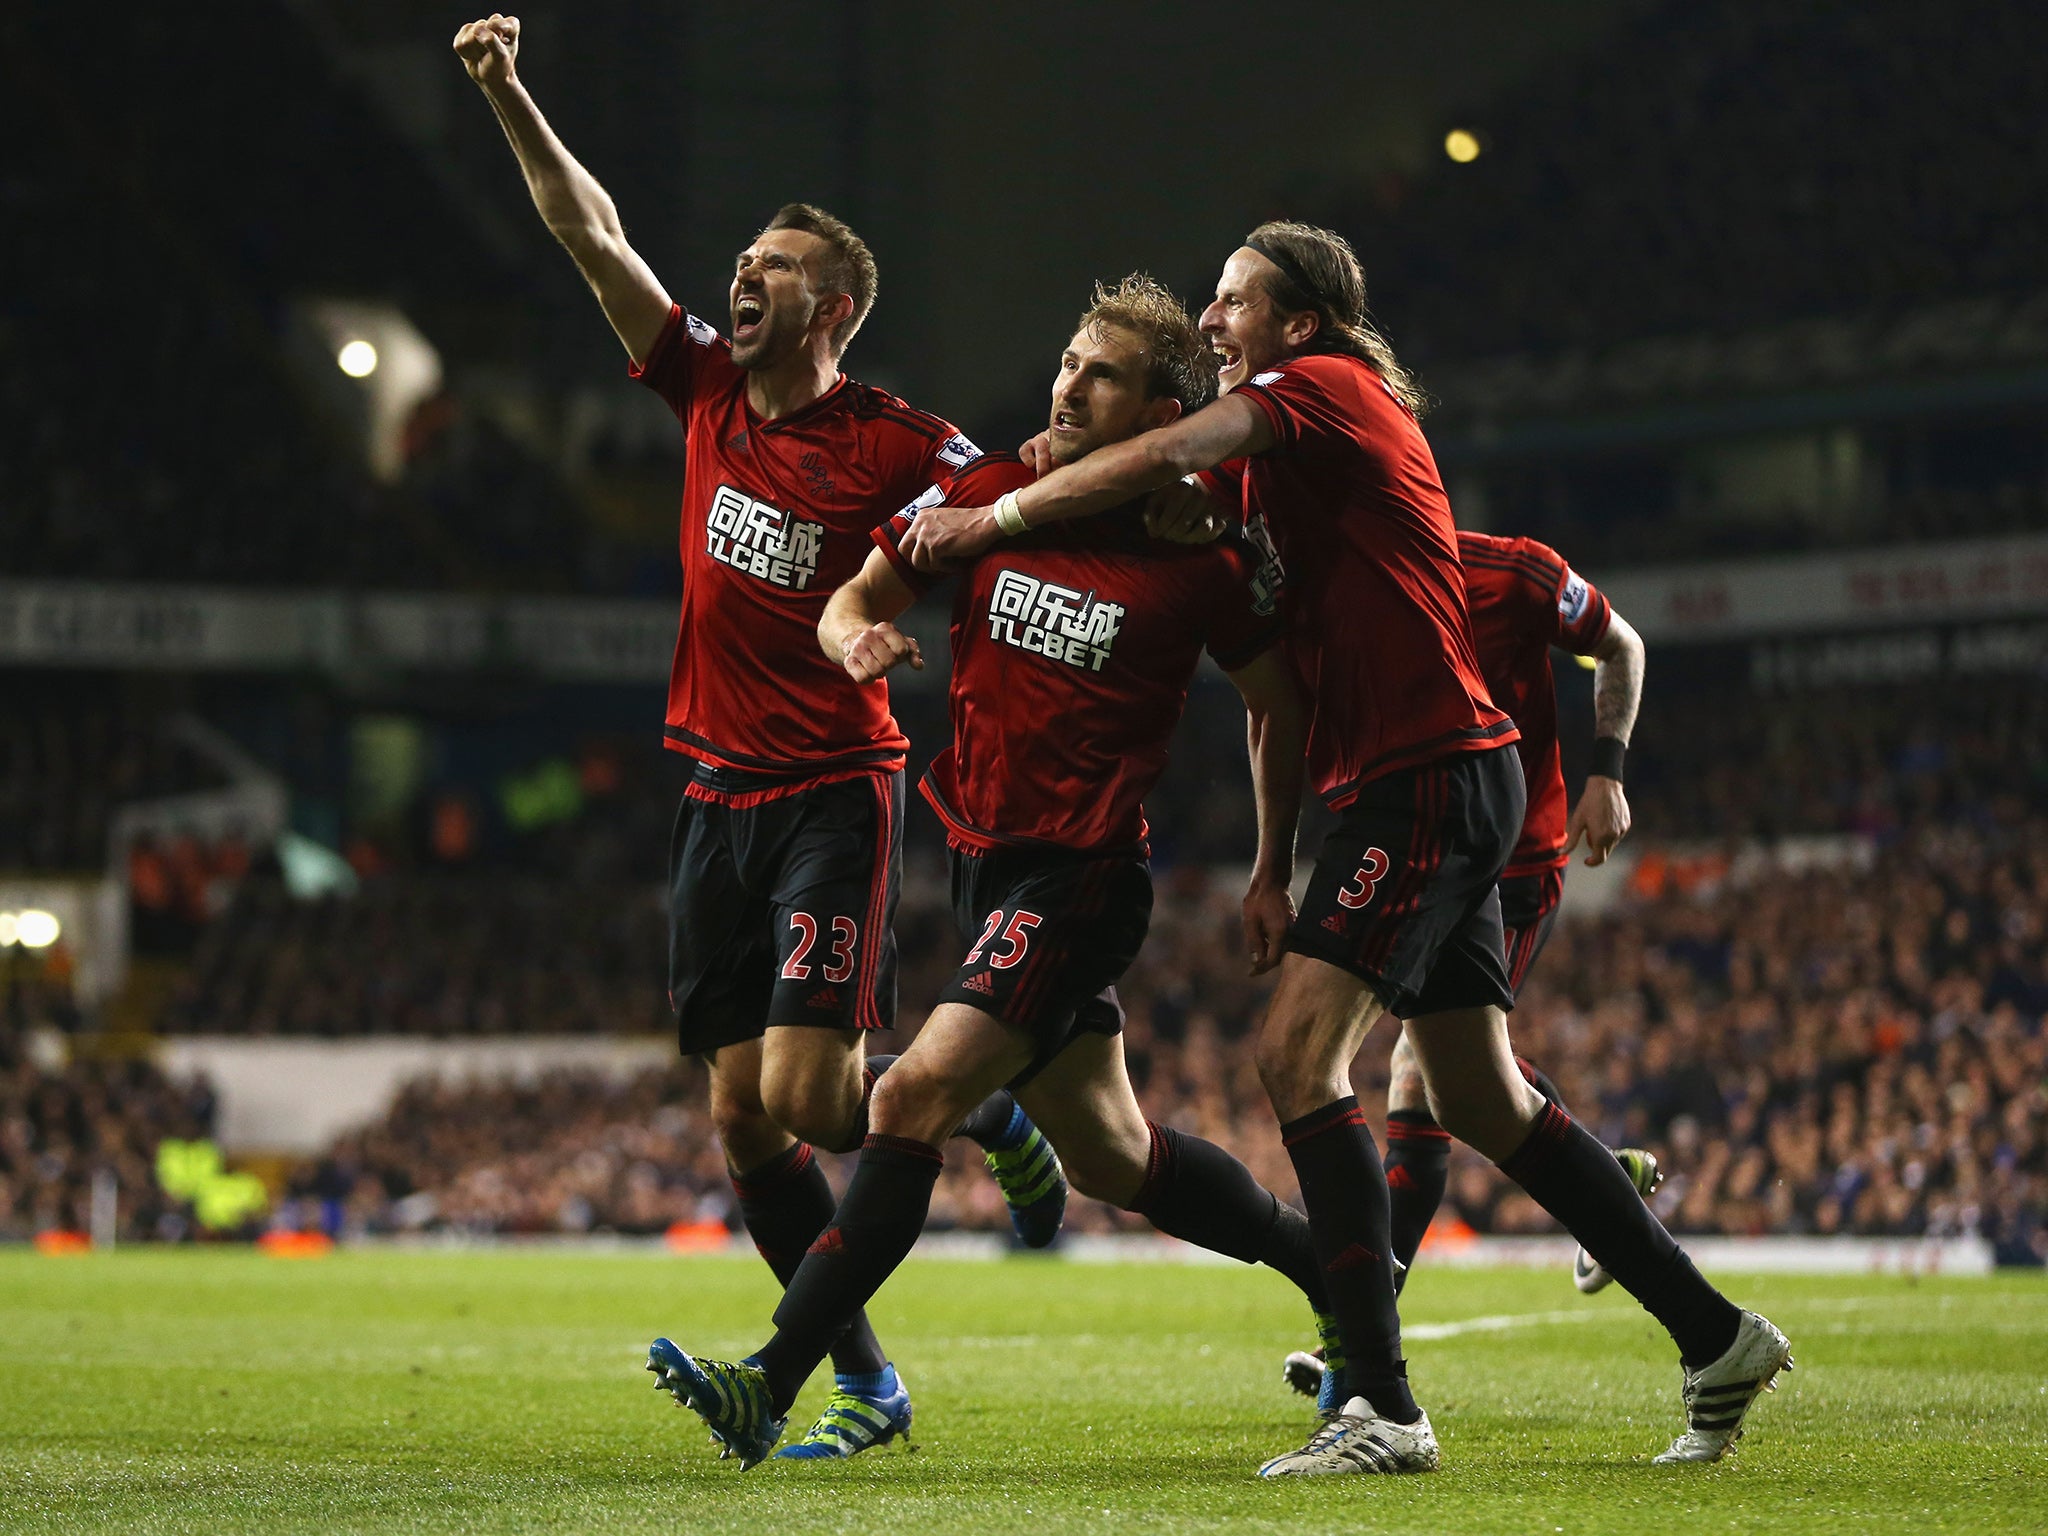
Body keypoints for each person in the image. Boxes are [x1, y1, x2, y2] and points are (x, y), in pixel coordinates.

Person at [903, 222, 1791, 1474]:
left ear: (1297, 323)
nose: (1210, 323)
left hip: (1423, 777)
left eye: (1231, 302)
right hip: (1416, 782)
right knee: (1479, 1095)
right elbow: (1218, 582)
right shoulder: (1277, 468)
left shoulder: (1322, 390)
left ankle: (1378, 1402)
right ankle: (1713, 1337)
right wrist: (1271, 860)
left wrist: (994, 522)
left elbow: (1170, 451)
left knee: (1295, 1057)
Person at [452, 14, 1066, 1462]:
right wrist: (508, 92)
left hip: (830, 795)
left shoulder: (902, 443)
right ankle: (867, 1379)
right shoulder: (708, 384)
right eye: (744, 259)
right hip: (711, 794)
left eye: (777, 266)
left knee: (816, 1103)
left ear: (838, 301)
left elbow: (1022, 497)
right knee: (745, 1123)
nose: (745, 274)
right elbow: (589, 234)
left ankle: (977, 1106)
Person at [646, 275, 1337, 1467]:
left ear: (1161, 409)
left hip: (1079, 881)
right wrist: (851, 637)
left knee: (909, 1097)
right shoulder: (988, 490)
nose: (1067, 384)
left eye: (1101, 374)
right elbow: (855, 590)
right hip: (979, 864)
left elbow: (1277, 708)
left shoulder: (1203, 550)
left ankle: (773, 1377)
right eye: (1067, 362)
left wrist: (1275, 862)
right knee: (1116, 1156)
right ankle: (1341, 1275)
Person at [1282, 532, 1660, 1405]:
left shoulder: (1513, 572)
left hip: (1514, 859)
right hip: (1427, 853)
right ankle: (1606, 1180)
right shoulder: (1350, 589)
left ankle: (1361, 1348)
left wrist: (1608, 772)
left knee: (1422, 1077)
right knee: (1449, 1077)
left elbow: (1622, 644)